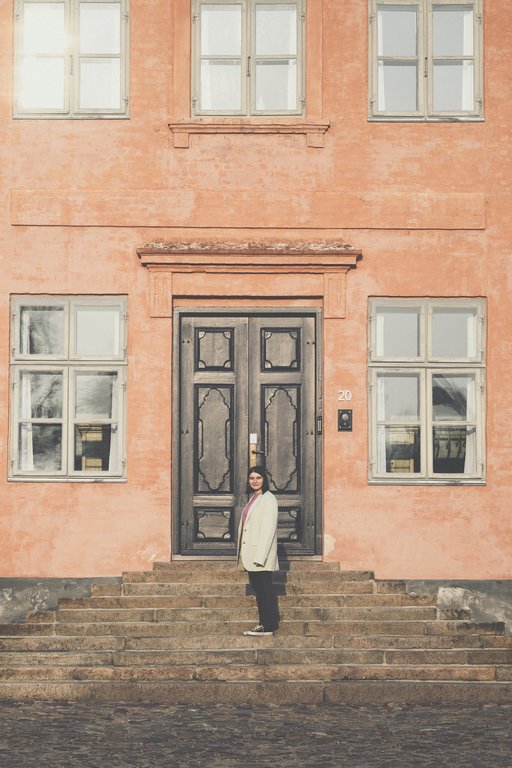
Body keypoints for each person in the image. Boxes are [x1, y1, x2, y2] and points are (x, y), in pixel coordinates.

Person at [237, 465, 279, 636]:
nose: (254, 481)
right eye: (252, 478)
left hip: (259, 556)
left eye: (258, 478)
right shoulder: (254, 498)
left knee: (264, 590)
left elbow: (268, 530)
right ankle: (266, 623)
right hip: (252, 554)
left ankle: (268, 626)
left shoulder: (268, 499)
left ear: (264, 480)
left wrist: (260, 557)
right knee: (260, 590)